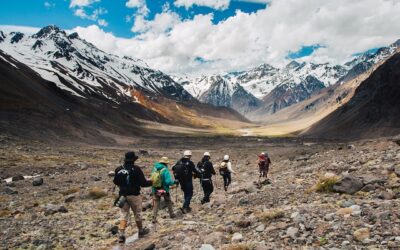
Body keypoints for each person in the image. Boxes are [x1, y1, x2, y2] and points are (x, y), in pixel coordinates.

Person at [113, 151, 152, 243]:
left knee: (124, 214)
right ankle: (141, 231)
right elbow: (143, 183)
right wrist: (152, 182)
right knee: (137, 213)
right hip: (134, 195)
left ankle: (121, 235)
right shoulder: (136, 169)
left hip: (123, 195)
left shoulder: (118, 169)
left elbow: (115, 182)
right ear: (134, 160)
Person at [150, 157, 178, 223]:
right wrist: (174, 182)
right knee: (168, 201)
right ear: (166, 163)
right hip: (164, 189)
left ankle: (154, 218)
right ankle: (171, 214)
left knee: (156, 203)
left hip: (155, 189)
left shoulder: (154, 168)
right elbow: (168, 182)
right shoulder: (165, 170)